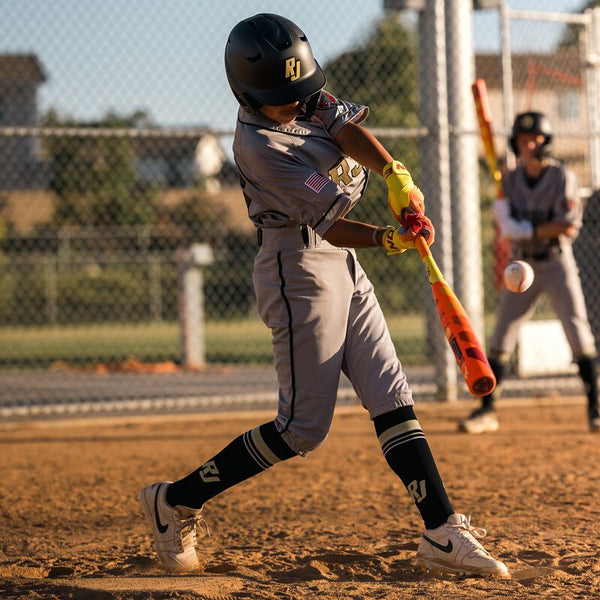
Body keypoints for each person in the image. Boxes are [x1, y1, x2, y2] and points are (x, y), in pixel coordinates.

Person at [137, 13, 508, 578]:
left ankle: (441, 530)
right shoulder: (259, 144)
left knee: (391, 392)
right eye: (286, 97)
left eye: (302, 89)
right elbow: (332, 224)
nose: (300, 102)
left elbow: (342, 128)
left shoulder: (300, 92)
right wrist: (389, 237)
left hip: (342, 261)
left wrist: (393, 173)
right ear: (250, 92)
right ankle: (175, 501)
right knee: (302, 429)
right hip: (297, 269)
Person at [460, 111, 599, 435]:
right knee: (501, 338)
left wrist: (525, 228)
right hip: (520, 264)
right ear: (516, 145)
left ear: (546, 142)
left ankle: (595, 408)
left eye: (536, 139)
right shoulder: (509, 180)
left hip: (556, 263)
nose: (530, 145)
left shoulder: (562, 176)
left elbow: (567, 225)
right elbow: (508, 225)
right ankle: (487, 410)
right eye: (524, 140)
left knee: (578, 333)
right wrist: (504, 217)